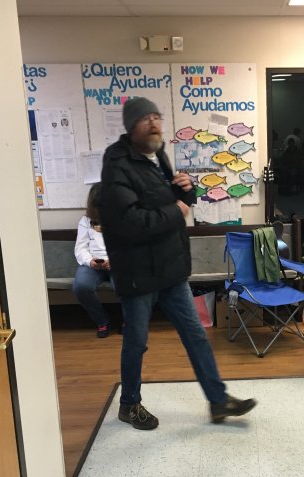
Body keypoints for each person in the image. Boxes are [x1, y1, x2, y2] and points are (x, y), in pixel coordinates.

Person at [99, 97, 256, 430]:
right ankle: (129, 404)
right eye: (145, 118)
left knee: (196, 335)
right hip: (137, 273)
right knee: (137, 342)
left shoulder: (158, 156)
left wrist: (186, 190)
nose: (153, 123)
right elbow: (130, 223)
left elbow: (171, 199)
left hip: (169, 269)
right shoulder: (116, 165)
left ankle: (218, 401)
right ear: (130, 126)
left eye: (156, 116)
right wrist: (178, 209)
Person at [72, 183, 112, 338]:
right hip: (93, 264)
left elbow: (128, 245)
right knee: (81, 286)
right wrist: (90, 261)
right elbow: (80, 248)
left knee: (128, 285)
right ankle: (102, 321)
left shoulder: (123, 217)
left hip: (117, 262)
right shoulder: (85, 221)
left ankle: (128, 321)